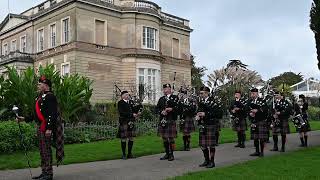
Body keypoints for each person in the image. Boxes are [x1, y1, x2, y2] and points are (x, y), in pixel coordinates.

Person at [17, 76, 64, 180]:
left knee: (46, 150)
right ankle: (44, 172)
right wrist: (24, 118)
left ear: (46, 85)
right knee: (42, 151)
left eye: (39, 84)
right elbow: (37, 115)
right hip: (41, 127)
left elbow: (52, 114)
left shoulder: (50, 97)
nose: (38, 86)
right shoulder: (40, 97)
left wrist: (49, 128)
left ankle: (48, 174)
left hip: (45, 127)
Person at [197, 86, 223, 168]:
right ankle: (206, 160)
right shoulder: (200, 102)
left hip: (210, 124)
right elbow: (199, 111)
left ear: (207, 93)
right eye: (200, 93)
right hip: (203, 124)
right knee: (202, 145)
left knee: (211, 145)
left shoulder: (214, 101)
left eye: (202, 93)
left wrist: (206, 114)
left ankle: (212, 162)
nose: (200, 95)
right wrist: (198, 116)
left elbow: (219, 114)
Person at [156, 84, 179, 161]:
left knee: (171, 138)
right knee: (164, 138)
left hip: (171, 119)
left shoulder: (175, 98)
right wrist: (161, 112)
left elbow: (179, 108)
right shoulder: (161, 99)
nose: (165, 90)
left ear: (170, 89)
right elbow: (156, 109)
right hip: (163, 120)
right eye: (164, 88)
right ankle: (167, 153)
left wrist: (171, 109)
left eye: (167, 88)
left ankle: (171, 154)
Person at [117, 91, 140, 159]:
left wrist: (138, 111)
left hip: (131, 122)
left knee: (131, 138)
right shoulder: (120, 103)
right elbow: (121, 113)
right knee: (123, 138)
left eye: (128, 95)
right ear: (122, 96)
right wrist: (131, 114)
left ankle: (129, 154)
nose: (128, 96)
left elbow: (134, 110)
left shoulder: (131, 102)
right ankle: (124, 154)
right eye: (126, 95)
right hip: (124, 122)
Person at [247, 88, 268, 157]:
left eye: (254, 93)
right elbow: (247, 109)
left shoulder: (262, 100)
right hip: (254, 121)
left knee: (261, 138)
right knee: (255, 137)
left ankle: (262, 152)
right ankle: (257, 151)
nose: (252, 95)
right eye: (251, 93)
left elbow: (265, 109)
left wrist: (257, 110)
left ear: (257, 93)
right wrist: (250, 113)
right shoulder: (249, 102)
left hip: (261, 120)